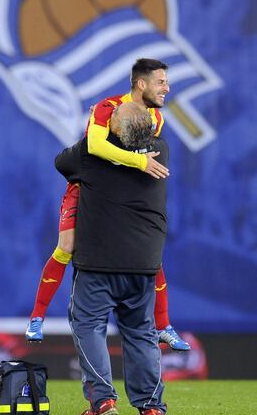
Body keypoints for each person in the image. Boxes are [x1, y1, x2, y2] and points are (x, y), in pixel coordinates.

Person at [26, 58, 190, 351]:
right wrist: (138, 161)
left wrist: (130, 157)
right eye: (161, 82)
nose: (167, 87)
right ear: (142, 84)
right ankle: (36, 317)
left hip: (120, 193)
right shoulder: (107, 106)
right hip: (85, 187)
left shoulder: (156, 118)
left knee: (149, 250)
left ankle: (164, 325)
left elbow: (124, 147)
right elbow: (95, 147)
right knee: (66, 245)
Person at [55, 102, 168, 415]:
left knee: (87, 325)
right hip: (143, 262)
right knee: (141, 332)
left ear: (114, 130)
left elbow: (61, 162)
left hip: (98, 261)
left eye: (111, 117)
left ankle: (102, 399)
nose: (106, 116)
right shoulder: (161, 151)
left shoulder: (90, 155)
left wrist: (96, 126)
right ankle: (151, 406)